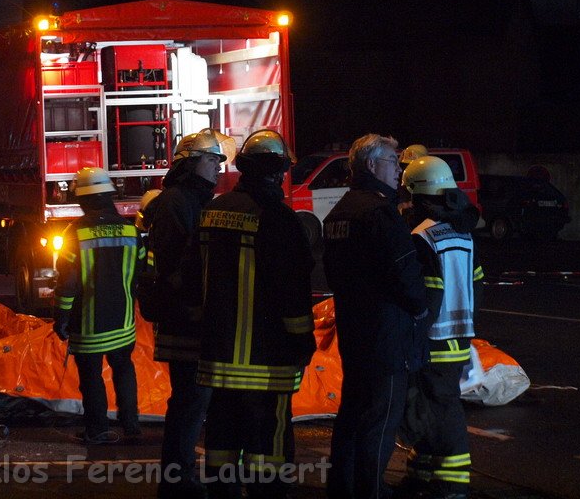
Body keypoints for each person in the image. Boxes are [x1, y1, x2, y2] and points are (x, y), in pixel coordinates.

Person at [197, 129, 315, 499]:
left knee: (221, 434)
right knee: (269, 439)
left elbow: (188, 278)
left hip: (217, 356)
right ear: (277, 173)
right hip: (268, 360)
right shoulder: (280, 220)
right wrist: (302, 339)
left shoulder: (212, 212)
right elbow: (293, 290)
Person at [322, 134, 429, 499]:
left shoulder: (341, 211)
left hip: (356, 331)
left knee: (352, 414)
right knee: (381, 420)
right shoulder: (380, 212)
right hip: (388, 334)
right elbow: (404, 273)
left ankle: (342, 487)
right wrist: (421, 306)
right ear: (371, 165)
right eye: (391, 161)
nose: (398, 169)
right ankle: (371, 490)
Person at [143, 129, 235, 499]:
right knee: (188, 403)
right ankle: (177, 480)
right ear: (189, 162)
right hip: (185, 320)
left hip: (195, 317)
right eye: (212, 160)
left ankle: (182, 477)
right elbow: (175, 267)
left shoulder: (192, 200)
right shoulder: (176, 203)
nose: (217, 167)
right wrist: (194, 305)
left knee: (195, 403)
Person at [400, 156, 484, 499]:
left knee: (442, 408)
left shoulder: (424, 237)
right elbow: (476, 282)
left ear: (418, 196)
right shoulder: (461, 235)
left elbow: (427, 294)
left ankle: (450, 483)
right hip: (457, 335)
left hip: (434, 338)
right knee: (431, 408)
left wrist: (413, 336)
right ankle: (423, 474)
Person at [52, 166, 145, 444]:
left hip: (88, 323)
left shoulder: (75, 232)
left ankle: (98, 429)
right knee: (124, 369)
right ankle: (131, 425)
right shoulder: (131, 229)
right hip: (123, 321)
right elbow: (142, 268)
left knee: (91, 376)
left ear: (83, 198)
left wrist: (62, 317)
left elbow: (67, 283)